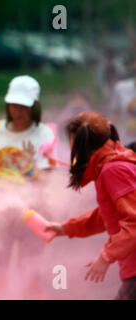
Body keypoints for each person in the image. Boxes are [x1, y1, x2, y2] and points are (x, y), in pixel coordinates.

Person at [0, 75, 59, 299]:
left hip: (34, 210)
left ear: (34, 105)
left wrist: (29, 169)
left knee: (30, 269)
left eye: (24, 105)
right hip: (0, 208)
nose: (18, 110)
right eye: (14, 104)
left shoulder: (45, 134)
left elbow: (47, 179)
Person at [46, 111, 136, 300]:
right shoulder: (111, 165)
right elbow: (108, 214)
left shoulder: (113, 170)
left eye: (70, 142)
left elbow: (134, 221)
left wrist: (106, 257)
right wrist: (66, 228)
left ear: (78, 142)